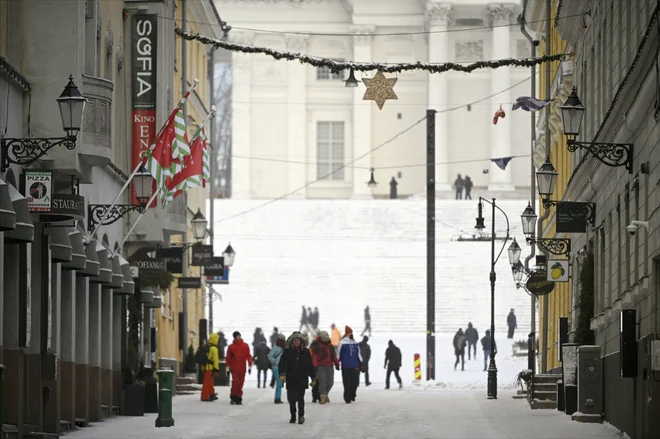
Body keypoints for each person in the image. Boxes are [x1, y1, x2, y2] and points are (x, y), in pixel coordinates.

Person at [279, 332, 316, 425]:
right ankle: (293, 415)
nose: (296, 342)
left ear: (301, 341)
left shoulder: (306, 352)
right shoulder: (287, 351)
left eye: (298, 340)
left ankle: (301, 416)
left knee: (300, 398)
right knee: (291, 399)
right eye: (294, 340)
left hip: (302, 378)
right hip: (291, 378)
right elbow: (282, 364)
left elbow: (310, 365)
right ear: (292, 342)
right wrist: (282, 374)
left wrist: (313, 377)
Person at [312, 331, 339, 404]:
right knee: (322, 382)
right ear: (321, 337)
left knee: (330, 382)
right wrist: (315, 366)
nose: (327, 337)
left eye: (327, 335)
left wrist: (337, 364)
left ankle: (325, 394)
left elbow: (334, 356)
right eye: (325, 336)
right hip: (321, 366)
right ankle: (322, 397)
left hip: (330, 366)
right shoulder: (317, 345)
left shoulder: (330, 345)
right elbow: (315, 357)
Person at [226, 331, 253, 405]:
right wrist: (227, 367)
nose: (238, 337)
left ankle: (238, 397)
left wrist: (250, 365)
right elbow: (228, 358)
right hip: (234, 367)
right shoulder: (231, 347)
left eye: (239, 336)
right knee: (236, 382)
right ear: (234, 337)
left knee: (240, 383)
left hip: (242, 368)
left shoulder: (245, 345)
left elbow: (248, 355)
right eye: (237, 336)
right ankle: (234, 396)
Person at [338, 326, 362, 403]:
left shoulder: (355, 342)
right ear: (347, 334)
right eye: (349, 333)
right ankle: (347, 397)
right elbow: (338, 354)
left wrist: (361, 363)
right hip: (345, 365)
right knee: (346, 382)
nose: (351, 334)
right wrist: (337, 362)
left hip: (355, 365)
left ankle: (352, 394)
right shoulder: (342, 343)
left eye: (351, 333)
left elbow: (358, 354)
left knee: (355, 382)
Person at [201, 333, 220, 402]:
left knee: (210, 382)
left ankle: (211, 394)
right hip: (210, 368)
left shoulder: (206, 347)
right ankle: (204, 396)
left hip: (204, 367)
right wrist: (216, 369)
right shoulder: (214, 348)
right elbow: (215, 359)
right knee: (207, 383)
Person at [268, 334, 286, 404]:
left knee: (280, 382)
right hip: (276, 367)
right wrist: (275, 362)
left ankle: (278, 398)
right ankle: (277, 398)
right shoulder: (276, 348)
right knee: (279, 382)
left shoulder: (284, 348)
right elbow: (269, 356)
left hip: (282, 367)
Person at [309, 335, 321, 403]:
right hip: (318, 366)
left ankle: (314, 397)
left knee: (315, 381)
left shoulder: (312, 346)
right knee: (319, 382)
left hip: (312, 366)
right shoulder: (320, 346)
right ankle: (318, 396)